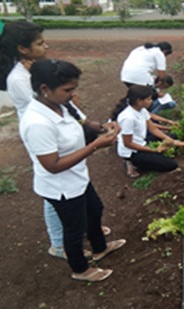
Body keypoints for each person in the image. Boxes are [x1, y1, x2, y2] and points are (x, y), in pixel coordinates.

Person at [0, 21, 110, 260]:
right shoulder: (20, 81)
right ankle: (60, 243)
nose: (46, 46)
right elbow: (52, 105)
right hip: (45, 135)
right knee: (57, 195)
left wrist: (89, 124)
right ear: (23, 48)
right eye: (40, 43)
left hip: (57, 129)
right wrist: (92, 141)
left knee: (77, 194)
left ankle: (87, 229)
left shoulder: (34, 69)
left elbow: (63, 101)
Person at [19, 59, 127, 282]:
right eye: (68, 89)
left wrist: (103, 127)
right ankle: (80, 269)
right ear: (45, 89)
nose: (72, 94)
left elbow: (84, 122)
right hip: (60, 186)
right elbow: (53, 165)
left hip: (77, 176)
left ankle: (100, 248)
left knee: (94, 210)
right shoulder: (37, 123)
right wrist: (95, 145)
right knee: (74, 229)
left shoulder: (61, 104)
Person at [112, 85, 184, 178]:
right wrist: (154, 150)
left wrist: (173, 142)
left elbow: (153, 129)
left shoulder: (141, 110)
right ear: (139, 101)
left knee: (173, 136)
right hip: (132, 151)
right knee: (171, 165)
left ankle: (150, 157)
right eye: (148, 99)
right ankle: (134, 164)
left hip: (142, 142)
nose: (151, 101)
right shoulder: (128, 118)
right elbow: (128, 143)